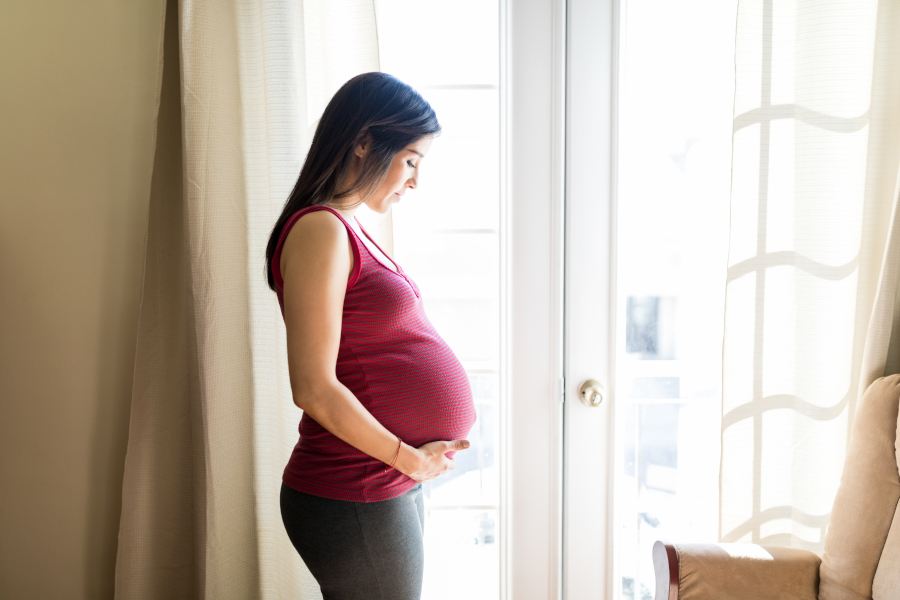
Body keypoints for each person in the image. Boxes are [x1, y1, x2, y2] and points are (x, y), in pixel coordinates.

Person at [264, 72, 476, 600]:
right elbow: (312, 386)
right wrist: (409, 456)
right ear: (363, 141)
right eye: (410, 160)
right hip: (354, 484)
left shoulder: (348, 225)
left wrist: (412, 461)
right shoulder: (319, 229)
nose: (414, 181)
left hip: (382, 477)